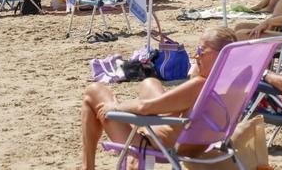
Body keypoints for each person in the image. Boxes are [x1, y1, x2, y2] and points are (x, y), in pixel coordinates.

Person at [80, 27, 238, 170]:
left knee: (93, 92)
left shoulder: (200, 85)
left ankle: (90, 167)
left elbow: (144, 107)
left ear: (220, 55)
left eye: (201, 50)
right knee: (150, 83)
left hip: (151, 145)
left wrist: (116, 107)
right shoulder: (232, 85)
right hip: (199, 145)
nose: (196, 55)